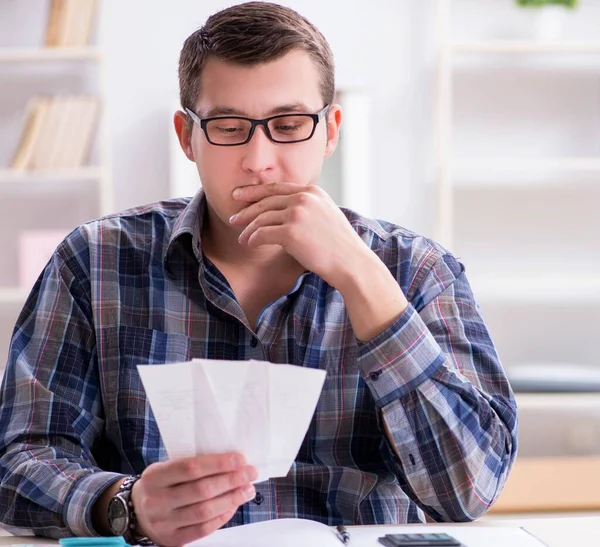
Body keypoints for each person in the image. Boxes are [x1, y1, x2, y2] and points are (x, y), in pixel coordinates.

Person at [0, 2, 518, 546]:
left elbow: (470, 489)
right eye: (229, 127)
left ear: (330, 129)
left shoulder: (418, 270)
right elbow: (19, 461)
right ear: (187, 136)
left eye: (289, 125)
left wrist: (363, 280)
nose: (260, 160)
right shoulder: (95, 260)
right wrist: (125, 504)